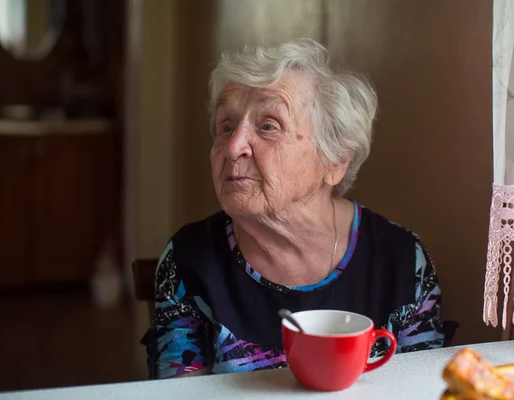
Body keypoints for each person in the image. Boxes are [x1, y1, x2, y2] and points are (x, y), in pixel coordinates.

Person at [142, 38, 445, 379]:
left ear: (335, 161)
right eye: (226, 126)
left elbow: (424, 389)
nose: (233, 147)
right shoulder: (189, 260)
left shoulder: (402, 262)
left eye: (268, 126)